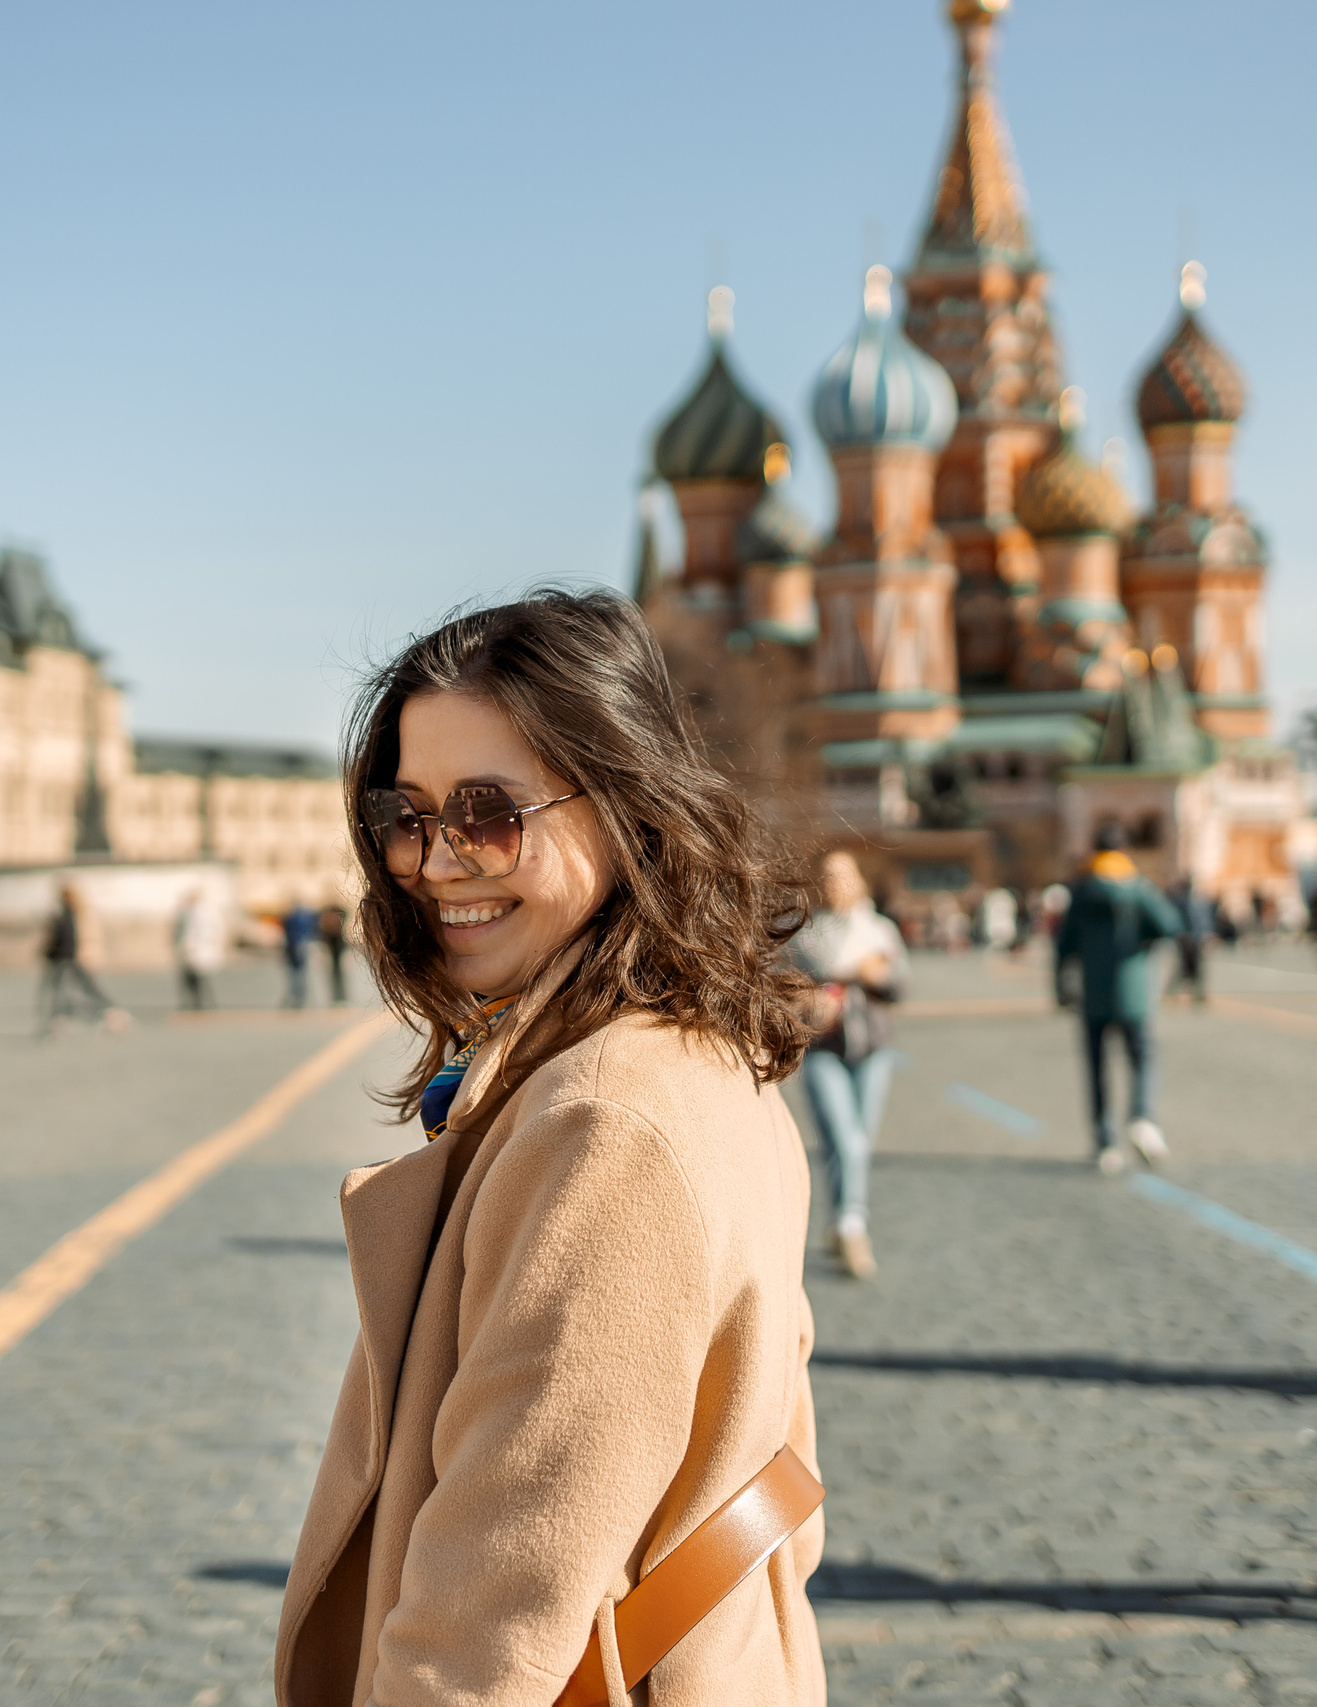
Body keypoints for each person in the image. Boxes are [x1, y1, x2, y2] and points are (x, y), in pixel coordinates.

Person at [275, 590, 823, 1705]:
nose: (435, 861)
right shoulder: (678, 1054)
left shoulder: (603, 1120)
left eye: (490, 812)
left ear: (627, 805)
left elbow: (494, 1613)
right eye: (406, 814)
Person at [792, 848, 906, 1279]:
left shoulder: (879, 932)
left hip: (873, 1049)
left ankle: (842, 1219)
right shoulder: (806, 936)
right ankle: (854, 1227)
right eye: (827, 876)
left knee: (856, 1141)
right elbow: (778, 988)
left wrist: (879, 976)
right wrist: (806, 999)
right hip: (823, 1047)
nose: (835, 883)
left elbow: (899, 985)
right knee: (844, 1136)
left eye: (842, 875)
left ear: (858, 880)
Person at [1055, 826, 1183, 1175]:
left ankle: (1104, 1142)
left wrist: (1059, 989)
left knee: (1097, 1068)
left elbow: (1064, 944)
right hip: (1135, 991)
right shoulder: (1138, 887)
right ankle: (1142, 1117)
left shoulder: (1082, 890)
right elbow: (1170, 924)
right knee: (1142, 1058)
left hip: (1092, 992)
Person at [39, 884, 126, 1034]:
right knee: (71, 990)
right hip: (71, 958)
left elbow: (70, 939)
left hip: (72, 959)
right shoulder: (74, 913)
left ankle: (109, 1013)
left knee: (79, 990)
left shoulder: (70, 914)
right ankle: (59, 1019)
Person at [172, 886, 225, 1011]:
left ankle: (203, 1004)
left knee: (201, 980)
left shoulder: (202, 912)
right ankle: (196, 1004)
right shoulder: (190, 911)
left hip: (199, 950)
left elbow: (200, 932)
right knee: (194, 980)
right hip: (194, 951)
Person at [1167, 876, 1211, 1004]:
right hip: (1186, 939)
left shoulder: (1195, 900)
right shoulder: (1182, 901)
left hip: (1194, 938)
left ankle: (1199, 993)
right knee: (1185, 967)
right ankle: (1173, 991)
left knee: (1196, 967)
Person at [281, 896, 319, 1009]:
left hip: (296, 947)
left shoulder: (296, 918)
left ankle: (299, 998)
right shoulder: (297, 918)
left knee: (298, 976)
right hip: (295, 947)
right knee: (297, 975)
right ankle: (299, 998)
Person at [317, 898, 350, 1004]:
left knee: (339, 973)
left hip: (337, 946)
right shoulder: (326, 914)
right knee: (333, 974)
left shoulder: (336, 913)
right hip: (331, 946)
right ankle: (336, 996)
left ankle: (340, 996)